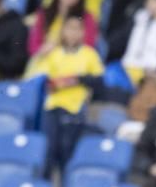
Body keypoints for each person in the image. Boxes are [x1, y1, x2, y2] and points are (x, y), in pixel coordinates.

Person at [26, 15, 104, 177]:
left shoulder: (89, 55)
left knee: (67, 151)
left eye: (77, 29)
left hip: (75, 108)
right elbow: (40, 77)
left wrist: (78, 79)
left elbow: (99, 80)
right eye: (69, 28)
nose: (73, 33)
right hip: (53, 106)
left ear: (83, 33)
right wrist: (54, 83)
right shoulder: (54, 54)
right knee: (48, 150)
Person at [28, 0, 99, 58]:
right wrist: (43, 51)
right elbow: (33, 48)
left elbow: (89, 47)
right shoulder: (44, 14)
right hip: (46, 61)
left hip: (76, 63)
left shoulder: (87, 17)